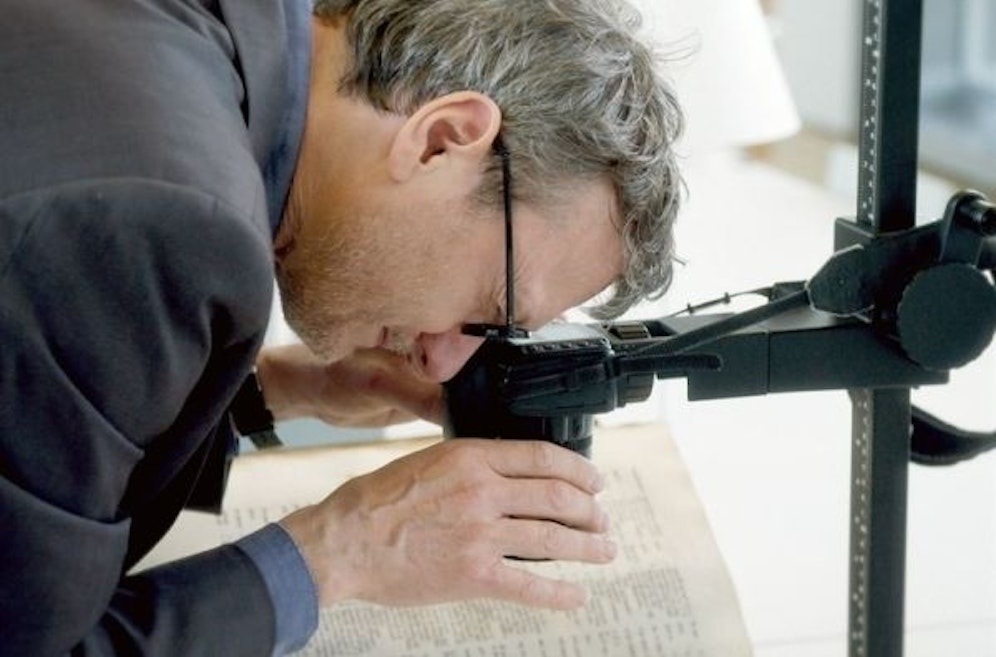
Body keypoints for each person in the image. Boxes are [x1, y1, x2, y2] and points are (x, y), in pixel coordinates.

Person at [0, 0, 682, 654]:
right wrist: (343, 551)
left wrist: (266, 391)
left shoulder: (197, 42)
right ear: (440, 141)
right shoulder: (174, 225)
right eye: (492, 309)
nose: (441, 364)